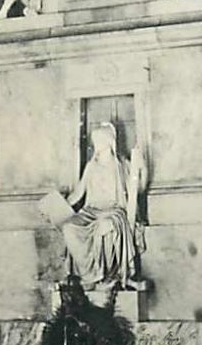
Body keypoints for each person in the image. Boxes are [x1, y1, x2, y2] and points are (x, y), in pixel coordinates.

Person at [62, 123, 146, 291]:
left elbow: (138, 188)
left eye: (99, 139)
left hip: (114, 211)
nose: (96, 143)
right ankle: (89, 276)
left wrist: (143, 167)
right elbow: (78, 193)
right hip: (91, 211)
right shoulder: (91, 166)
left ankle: (107, 276)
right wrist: (57, 206)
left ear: (109, 141)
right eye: (95, 140)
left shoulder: (120, 164)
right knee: (69, 227)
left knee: (105, 226)